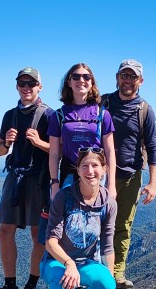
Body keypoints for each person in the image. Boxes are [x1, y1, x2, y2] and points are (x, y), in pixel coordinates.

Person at [39, 146, 127, 289]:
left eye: (95, 165)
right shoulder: (64, 197)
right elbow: (50, 241)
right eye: (85, 166)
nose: (90, 171)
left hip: (87, 262)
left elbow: (107, 246)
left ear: (104, 169)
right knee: (65, 283)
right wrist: (68, 263)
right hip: (57, 261)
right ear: (77, 170)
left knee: (107, 286)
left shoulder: (108, 203)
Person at [0, 67, 53, 289]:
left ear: (39, 87)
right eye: (22, 84)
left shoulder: (49, 115)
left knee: (38, 233)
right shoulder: (10, 115)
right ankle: (10, 287)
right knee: (5, 230)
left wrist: (39, 143)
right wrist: (7, 142)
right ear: (16, 87)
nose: (26, 88)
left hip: (40, 179)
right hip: (15, 177)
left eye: (31, 84)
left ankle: (31, 287)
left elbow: (59, 150)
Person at [101, 59, 156, 288]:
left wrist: (153, 183)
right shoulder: (103, 102)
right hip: (98, 174)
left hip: (130, 175)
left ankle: (117, 272)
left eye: (132, 76)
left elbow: (153, 147)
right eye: (124, 75)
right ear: (117, 78)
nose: (127, 80)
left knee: (122, 225)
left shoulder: (145, 110)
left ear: (140, 81)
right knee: (93, 223)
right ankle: (94, 270)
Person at [47, 62, 117, 201]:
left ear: (92, 82)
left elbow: (110, 151)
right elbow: (54, 153)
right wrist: (54, 183)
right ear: (69, 82)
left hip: (95, 175)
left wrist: (111, 184)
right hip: (69, 174)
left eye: (86, 77)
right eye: (76, 77)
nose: (81, 80)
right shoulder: (59, 115)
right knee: (68, 213)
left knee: (94, 213)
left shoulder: (102, 114)